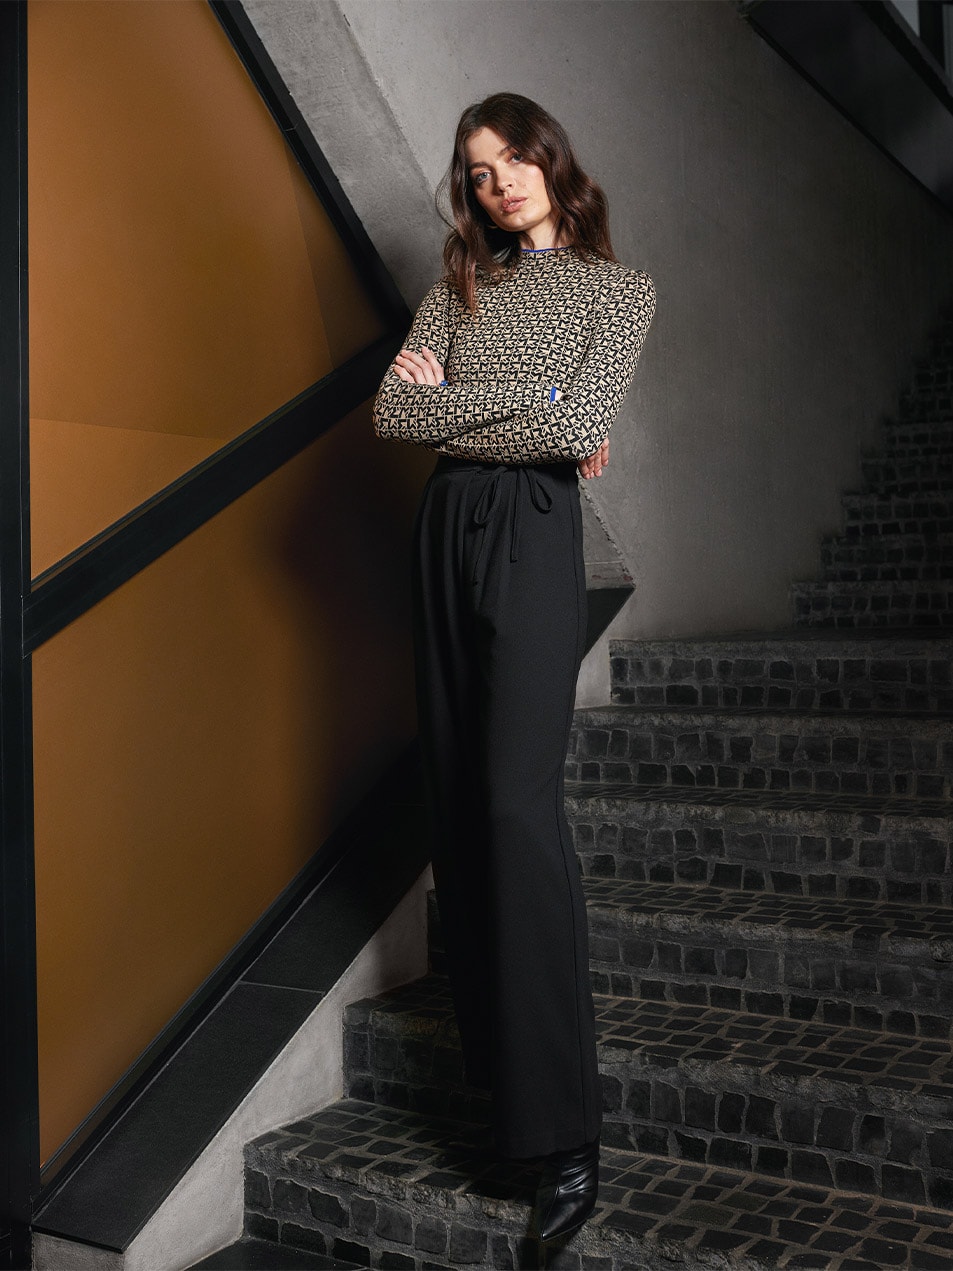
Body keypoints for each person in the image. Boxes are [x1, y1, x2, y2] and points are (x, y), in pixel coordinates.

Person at [372, 92, 655, 1244]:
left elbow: (574, 426)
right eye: (477, 171)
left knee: (514, 809)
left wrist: (463, 407)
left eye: (511, 160)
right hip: (444, 531)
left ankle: (565, 1137)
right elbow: (390, 415)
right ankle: (507, 1105)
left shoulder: (616, 292)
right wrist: (525, 404)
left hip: (533, 535)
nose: (496, 184)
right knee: (460, 813)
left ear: (550, 158)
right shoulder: (457, 284)